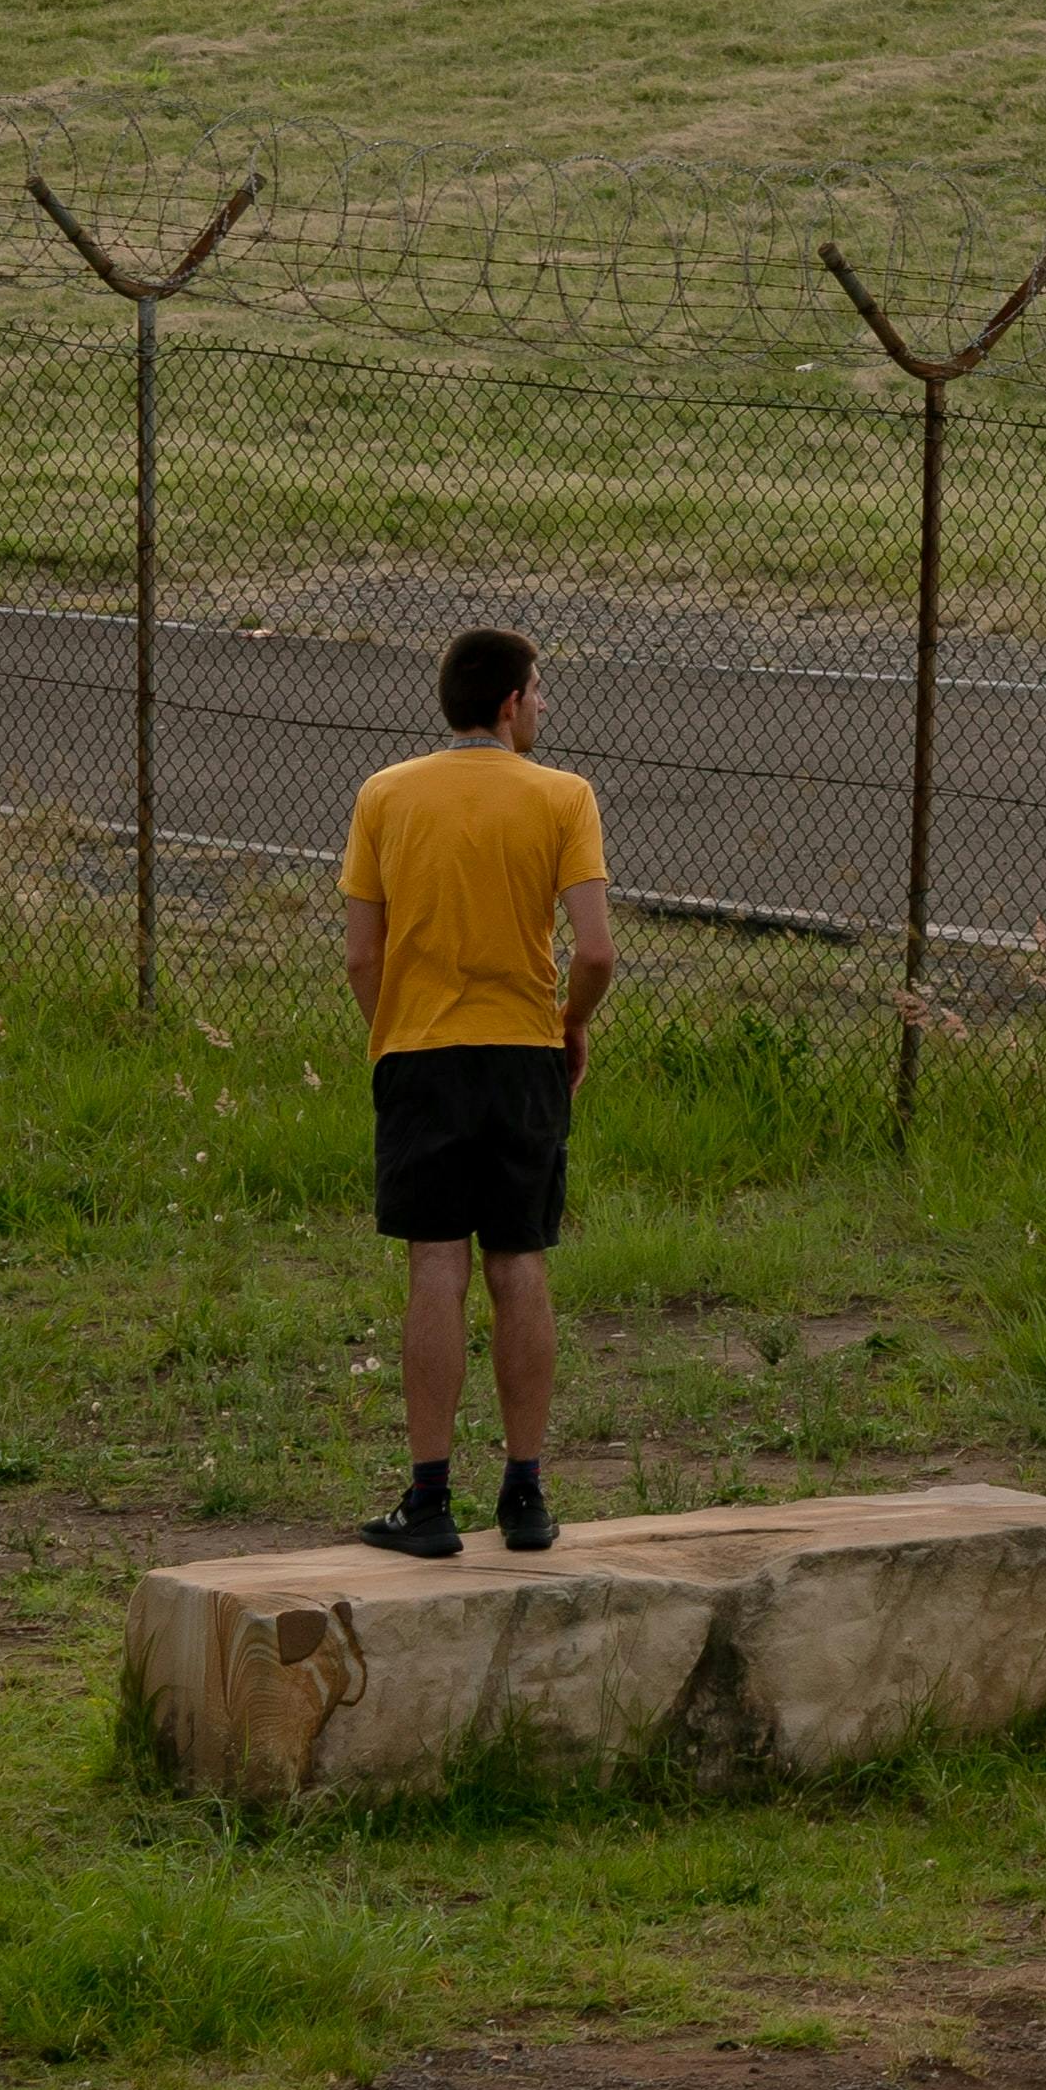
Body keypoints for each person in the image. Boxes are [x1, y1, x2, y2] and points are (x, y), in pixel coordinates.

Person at [339, 623, 617, 1557]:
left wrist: (394, 1036)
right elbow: (596, 949)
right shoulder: (564, 797)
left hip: (420, 1053)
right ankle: (526, 1493)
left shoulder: (384, 794)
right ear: (508, 703)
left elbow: (361, 953)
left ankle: (428, 1498)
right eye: (539, 690)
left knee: (435, 1264)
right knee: (520, 1259)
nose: (544, 704)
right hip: (520, 1053)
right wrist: (568, 1022)